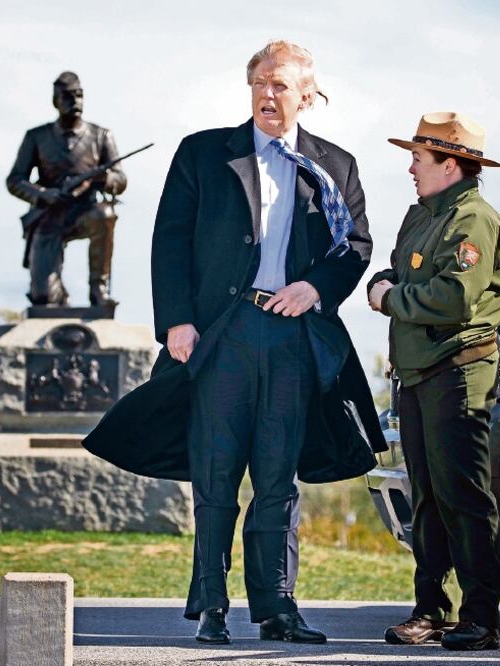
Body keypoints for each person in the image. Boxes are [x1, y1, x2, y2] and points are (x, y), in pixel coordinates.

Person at [83, 40, 385, 644]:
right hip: (222, 335)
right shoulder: (203, 153)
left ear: (307, 96)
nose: (268, 95)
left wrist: (314, 288)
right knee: (215, 473)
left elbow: (354, 245)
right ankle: (212, 605)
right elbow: (170, 238)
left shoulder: (336, 165)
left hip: (293, 337)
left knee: (278, 478)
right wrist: (177, 320)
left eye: (280, 85)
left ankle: (277, 607)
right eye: (259, 84)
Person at [367, 112, 500, 651]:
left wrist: (390, 298)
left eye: (418, 158)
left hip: (457, 372)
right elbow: (396, 272)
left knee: (463, 494)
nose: (410, 168)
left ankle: (480, 618)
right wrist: (386, 284)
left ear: (449, 165)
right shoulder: (425, 217)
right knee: (427, 496)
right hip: (417, 375)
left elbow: (454, 298)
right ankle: (430, 611)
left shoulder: (472, 221)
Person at [6, 71, 127, 307]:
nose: (76, 102)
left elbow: (121, 180)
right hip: (49, 215)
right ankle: (60, 296)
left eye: (79, 95)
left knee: (105, 215)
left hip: (85, 211)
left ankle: (99, 289)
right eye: (68, 96)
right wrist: (43, 195)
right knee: (43, 298)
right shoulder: (36, 137)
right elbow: (15, 180)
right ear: (56, 101)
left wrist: (105, 177)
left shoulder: (101, 136)